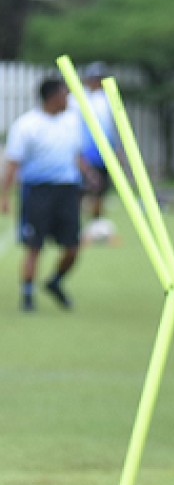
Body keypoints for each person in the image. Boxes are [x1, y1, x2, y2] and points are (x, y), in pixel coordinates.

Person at [1, 77, 87, 311]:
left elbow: (75, 155)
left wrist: (88, 173)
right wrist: (4, 195)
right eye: (64, 95)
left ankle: (55, 281)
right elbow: (12, 162)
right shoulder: (27, 125)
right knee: (34, 245)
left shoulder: (71, 122)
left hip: (67, 190)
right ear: (52, 97)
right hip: (38, 191)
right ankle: (27, 296)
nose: (68, 99)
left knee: (73, 246)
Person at [74, 62, 124, 235]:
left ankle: (96, 225)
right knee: (82, 189)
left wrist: (117, 150)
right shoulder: (78, 99)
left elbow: (113, 128)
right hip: (85, 152)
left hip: (105, 153)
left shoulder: (109, 98)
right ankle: (76, 224)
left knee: (101, 190)